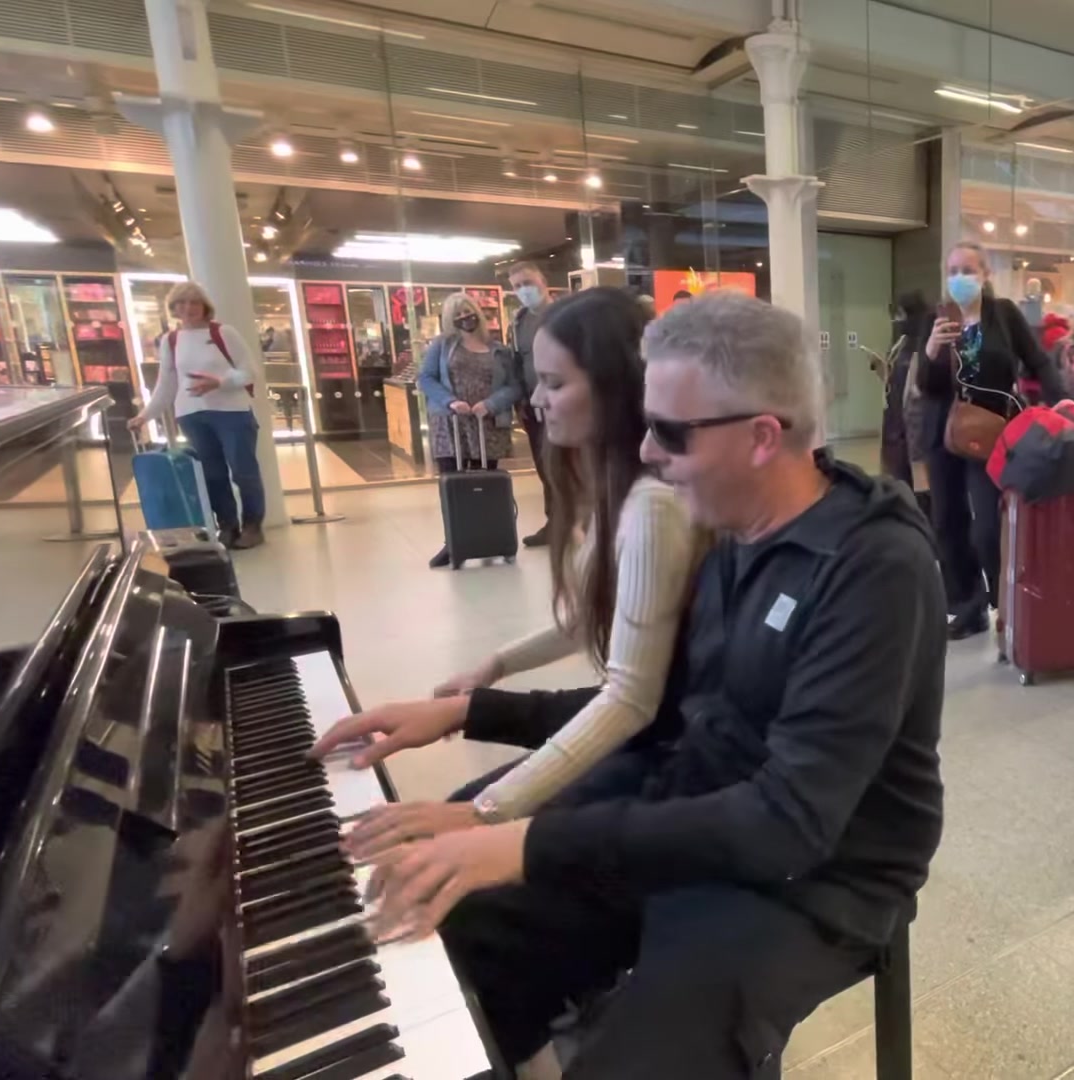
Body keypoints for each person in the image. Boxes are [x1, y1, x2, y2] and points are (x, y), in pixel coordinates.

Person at [313, 291, 947, 1079]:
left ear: (761, 438)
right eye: (647, 425)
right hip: (697, 812)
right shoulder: (729, 527)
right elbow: (652, 709)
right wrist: (468, 713)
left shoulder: (871, 566)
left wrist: (528, 839)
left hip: (819, 878)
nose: (646, 452)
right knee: (459, 924)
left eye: (671, 433)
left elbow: (788, 822)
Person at [323, 286, 706, 855]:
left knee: (448, 845)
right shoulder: (616, 487)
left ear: (614, 387)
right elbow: (602, 612)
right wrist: (494, 666)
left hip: (668, 752)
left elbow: (630, 699)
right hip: (647, 728)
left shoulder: (652, 505)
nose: (536, 398)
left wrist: (483, 815)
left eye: (555, 383)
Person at [917, 240, 1066, 640]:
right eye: (952, 271)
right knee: (946, 521)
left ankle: (1008, 601)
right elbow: (926, 387)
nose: (959, 278)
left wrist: (1062, 403)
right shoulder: (938, 317)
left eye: (968, 269)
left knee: (988, 527)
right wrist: (932, 350)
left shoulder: (1003, 315)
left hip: (992, 430)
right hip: (944, 433)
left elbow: (1037, 360)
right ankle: (969, 604)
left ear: (985, 275)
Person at [126, 281, 266, 550]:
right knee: (212, 474)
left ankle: (252, 526)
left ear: (205, 307)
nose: (188, 308)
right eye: (181, 303)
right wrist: (145, 415)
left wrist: (220, 382)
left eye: (194, 302)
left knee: (244, 471)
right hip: (192, 415)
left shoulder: (224, 333)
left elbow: (250, 371)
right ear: (174, 308)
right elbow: (166, 384)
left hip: (232, 413)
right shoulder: (170, 340)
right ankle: (227, 525)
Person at [419, 292, 524, 568]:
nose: (464, 318)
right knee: (452, 486)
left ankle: (491, 537)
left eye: (468, 311)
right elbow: (426, 378)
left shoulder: (498, 349)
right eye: (457, 314)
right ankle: (454, 542)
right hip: (450, 424)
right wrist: (450, 401)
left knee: (486, 486)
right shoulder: (442, 345)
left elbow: (514, 386)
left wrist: (490, 404)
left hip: (486, 426)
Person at [507, 260, 557, 548]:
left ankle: (583, 522)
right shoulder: (519, 322)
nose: (524, 290)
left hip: (561, 404)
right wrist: (520, 402)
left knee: (568, 465)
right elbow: (517, 361)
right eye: (517, 286)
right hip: (532, 407)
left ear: (544, 282)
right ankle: (555, 522)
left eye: (528, 283)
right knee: (544, 466)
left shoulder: (564, 315)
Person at [878, 291, 931, 490]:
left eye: (901, 314)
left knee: (917, 484)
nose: (897, 320)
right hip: (894, 419)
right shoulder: (900, 343)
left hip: (914, 425)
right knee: (897, 477)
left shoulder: (924, 343)